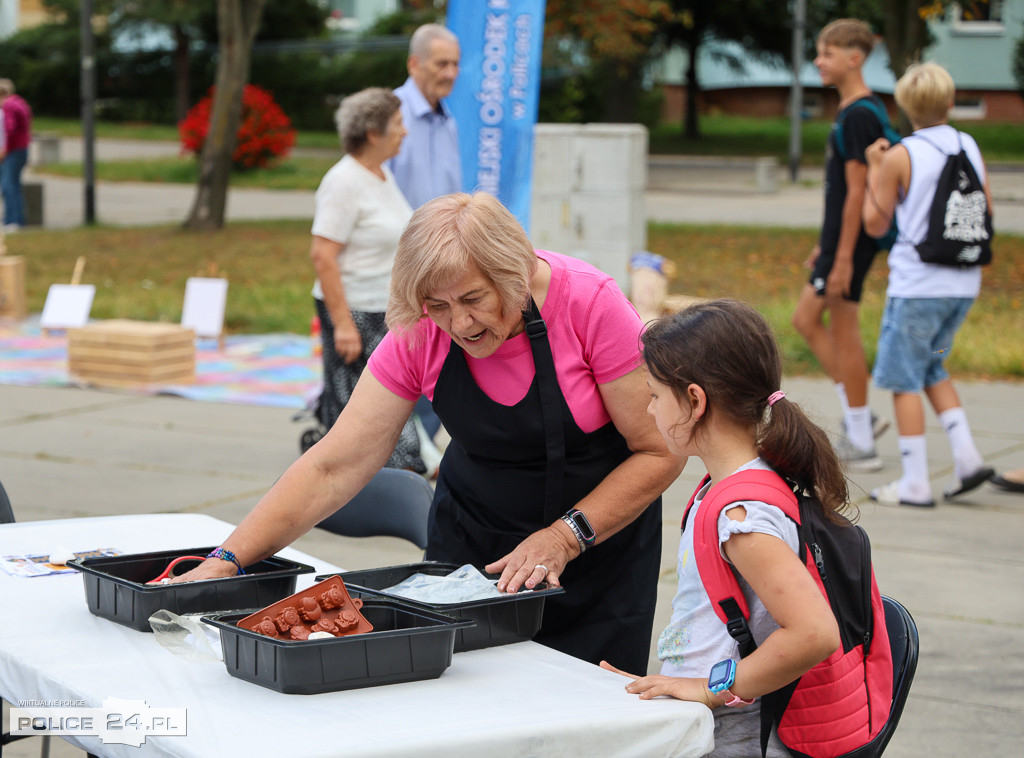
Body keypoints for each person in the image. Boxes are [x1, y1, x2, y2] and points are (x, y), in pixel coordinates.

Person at [177, 192, 680, 674]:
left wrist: (565, 537)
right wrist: (228, 559)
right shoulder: (420, 329)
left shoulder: (590, 304)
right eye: (436, 305)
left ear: (517, 274)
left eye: (473, 299)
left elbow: (660, 450)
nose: (459, 323)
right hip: (470, 561)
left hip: (595, 561)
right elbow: (333, 466)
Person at [601, 299, 843, 757]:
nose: (649, 410)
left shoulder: (741, 516)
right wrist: (666, 684)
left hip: (732, 740)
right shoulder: (730, 486)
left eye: (654, 395)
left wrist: (708, 689)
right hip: (705, 726)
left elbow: (814, 633)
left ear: (694, 401)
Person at [862, 62, 995, 506]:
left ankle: (915, 480)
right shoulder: (968, 144)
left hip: (918, 284)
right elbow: (985, 209)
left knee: (903, 380)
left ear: (904, 105)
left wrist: (874, 168)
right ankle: (967, 457)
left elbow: (876, 221)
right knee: (933, 367)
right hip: (962, 282)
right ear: (951, 102)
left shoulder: (903, 154)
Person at [791, 19, 890, 472]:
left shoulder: (860, 115)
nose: (819, 60)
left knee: (836, 326)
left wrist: (844, 256)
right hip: (840, 242)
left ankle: (861, 437)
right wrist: (824, 246)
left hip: (854, 244)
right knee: (808, 319)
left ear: (855, 58)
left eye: (827, 53)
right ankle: (859, 415)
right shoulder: (855, 110)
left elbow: (856, 191)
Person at [309, 87, 424, 473]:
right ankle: (356, 479)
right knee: (361, 405)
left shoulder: (380, 175)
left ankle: (397, 469)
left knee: (391, 399)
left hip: (383, 307)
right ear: (373, 132)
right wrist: (343, 325)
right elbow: (323, 255)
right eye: (397, 124)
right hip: (353, 310)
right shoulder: (342, 181)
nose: (405, 132)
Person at [386, 23, 462, 211]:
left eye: (455, 64)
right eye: (442, 64)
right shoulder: (389, 114)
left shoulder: (449, 121)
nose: (451, 74)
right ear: (414, 65)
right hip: (399, 238)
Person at [0, 78, 32, 232]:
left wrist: (4, 149)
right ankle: (16, 219)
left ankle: (12, 221)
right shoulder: (20, 102)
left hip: (13, 150)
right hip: (22, 149)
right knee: (14, 185)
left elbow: (9, 129)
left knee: (8, 186)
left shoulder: (8, 106)